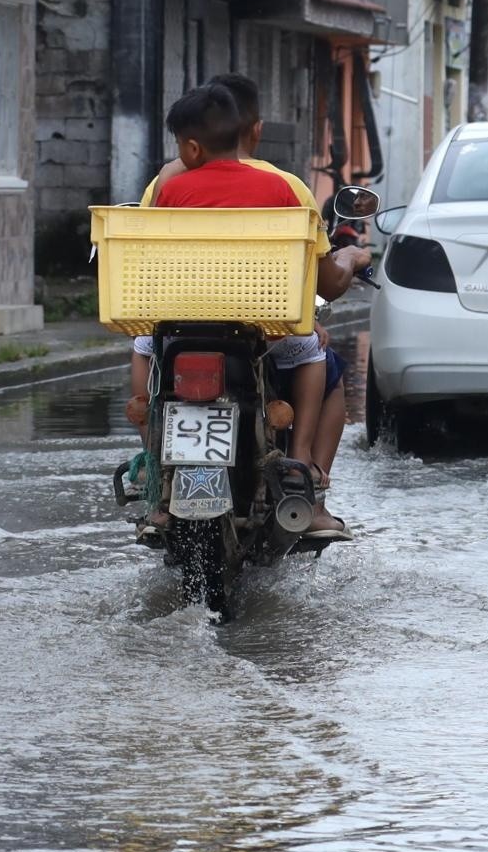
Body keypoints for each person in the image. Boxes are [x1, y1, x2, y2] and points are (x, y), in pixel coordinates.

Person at [138, 74, 370, 538]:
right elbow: (312, 272)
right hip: (261, 330)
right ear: (253, 130)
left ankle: (155, 471)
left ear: (191, 148)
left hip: (183, 326)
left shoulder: (168, 189)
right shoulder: (283, 188)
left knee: (144, 347)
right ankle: (301, 473)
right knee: (314, 353)